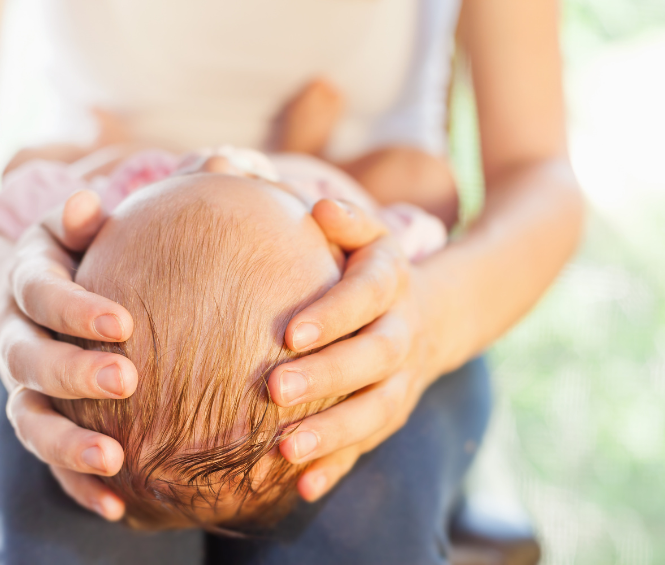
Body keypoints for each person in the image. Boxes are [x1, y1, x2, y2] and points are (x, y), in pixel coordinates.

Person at [0, 1, 584, 563]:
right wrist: (17, 288)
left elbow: (537, 172)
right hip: (325, 209)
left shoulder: (91, 192)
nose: (224, 157)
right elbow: (425, 194)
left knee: (350, 536)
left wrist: (424, 316)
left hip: (118, 196)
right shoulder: (344, 204)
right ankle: (300, 159)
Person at [2, 143, 447, 530]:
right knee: (421, 175)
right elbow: (425, 240)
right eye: (265, 184)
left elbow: (15, 198)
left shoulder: (99, 198)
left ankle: (113, 136)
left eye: (192, 177)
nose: (220, 156)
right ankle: (303, 145)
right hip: (323, 175)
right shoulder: (335, 217)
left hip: (132, 143)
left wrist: (19, 269)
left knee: (38, 155)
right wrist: (385, 252)